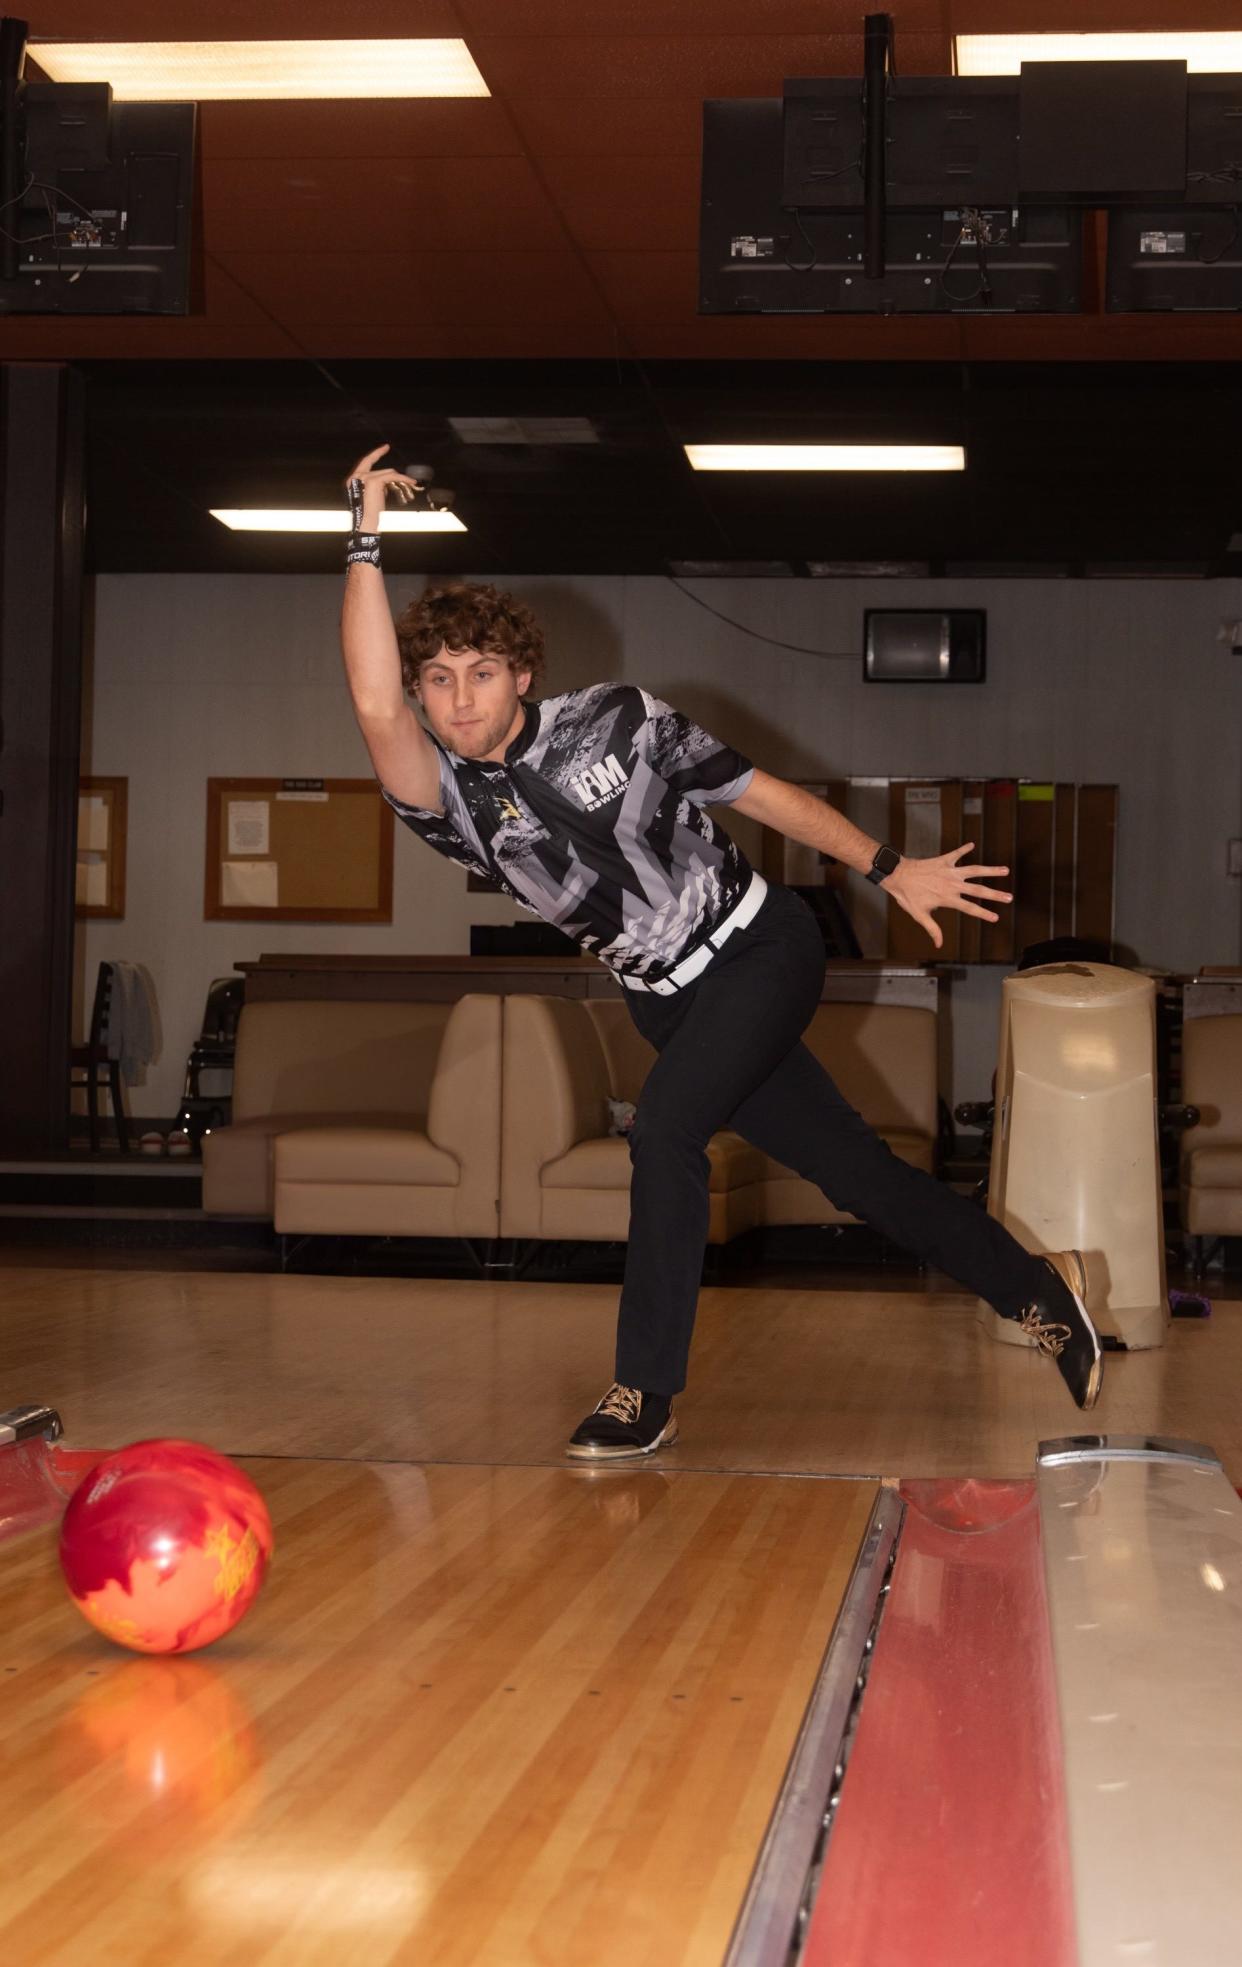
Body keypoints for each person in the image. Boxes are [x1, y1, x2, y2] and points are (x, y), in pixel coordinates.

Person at [339, 445, 1103, 1461]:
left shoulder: (621, 717)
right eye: (439, 680)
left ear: (523, 672)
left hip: (759, 946)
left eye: (481, 673)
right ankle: (1039, 1291)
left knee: (663, 1134)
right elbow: (371, 704)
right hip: (666, 1003)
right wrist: (362, 537)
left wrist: (887, 863)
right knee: (858, 1175)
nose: (459, 698)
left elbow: (759, 792)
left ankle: (641, 1390)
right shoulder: (448, 804)